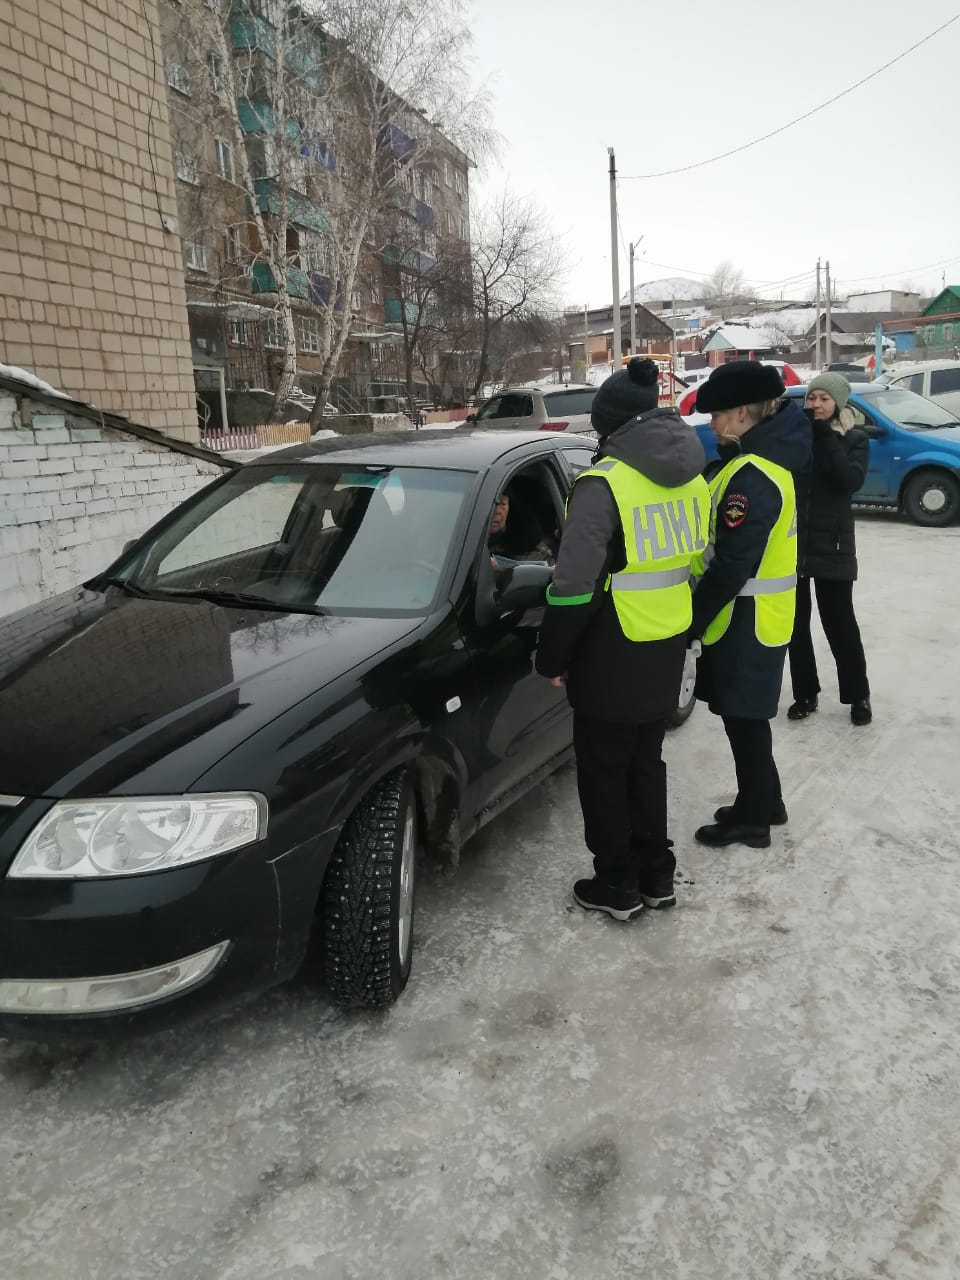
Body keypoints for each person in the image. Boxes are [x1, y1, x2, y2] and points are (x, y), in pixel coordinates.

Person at [535, 358, 709, 921]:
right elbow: (700, 558)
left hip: (613, 647)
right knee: (645, 763)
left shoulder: (603, 482)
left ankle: (616, 884)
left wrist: (554, 654)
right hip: (666, 639)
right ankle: (656, 875)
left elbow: (571, 586)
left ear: (609, 424)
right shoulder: (691, 471)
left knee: (605, 771)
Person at [688, 361, 811, 850]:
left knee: (744, 719)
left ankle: (754, 819)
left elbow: (733, 564)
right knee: (747, 718)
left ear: (742, 412)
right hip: (755, 616)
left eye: (716, 413)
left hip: (746, 618)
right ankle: (766, 800)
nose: (711, 423)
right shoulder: (756, 462)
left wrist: (691, 621)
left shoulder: (751, 477)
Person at [788, 373, 872, 726]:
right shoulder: (797, 439)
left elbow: (848, 481)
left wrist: (826, 439)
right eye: (811, 398)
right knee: (795, 626)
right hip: (794, 545)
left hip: (833, 544)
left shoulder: (854, 440)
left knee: (839, 623)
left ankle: (858, 695)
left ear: (838, 402)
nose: (816, 405)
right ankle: (805, 692)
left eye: (823, 398)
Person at [488, 488, 555, 571]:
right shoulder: (469, 537)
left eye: (503, 504)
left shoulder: (534, 550)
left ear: (509, 508)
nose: (496, 510)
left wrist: (502, 569)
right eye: (489, 503)